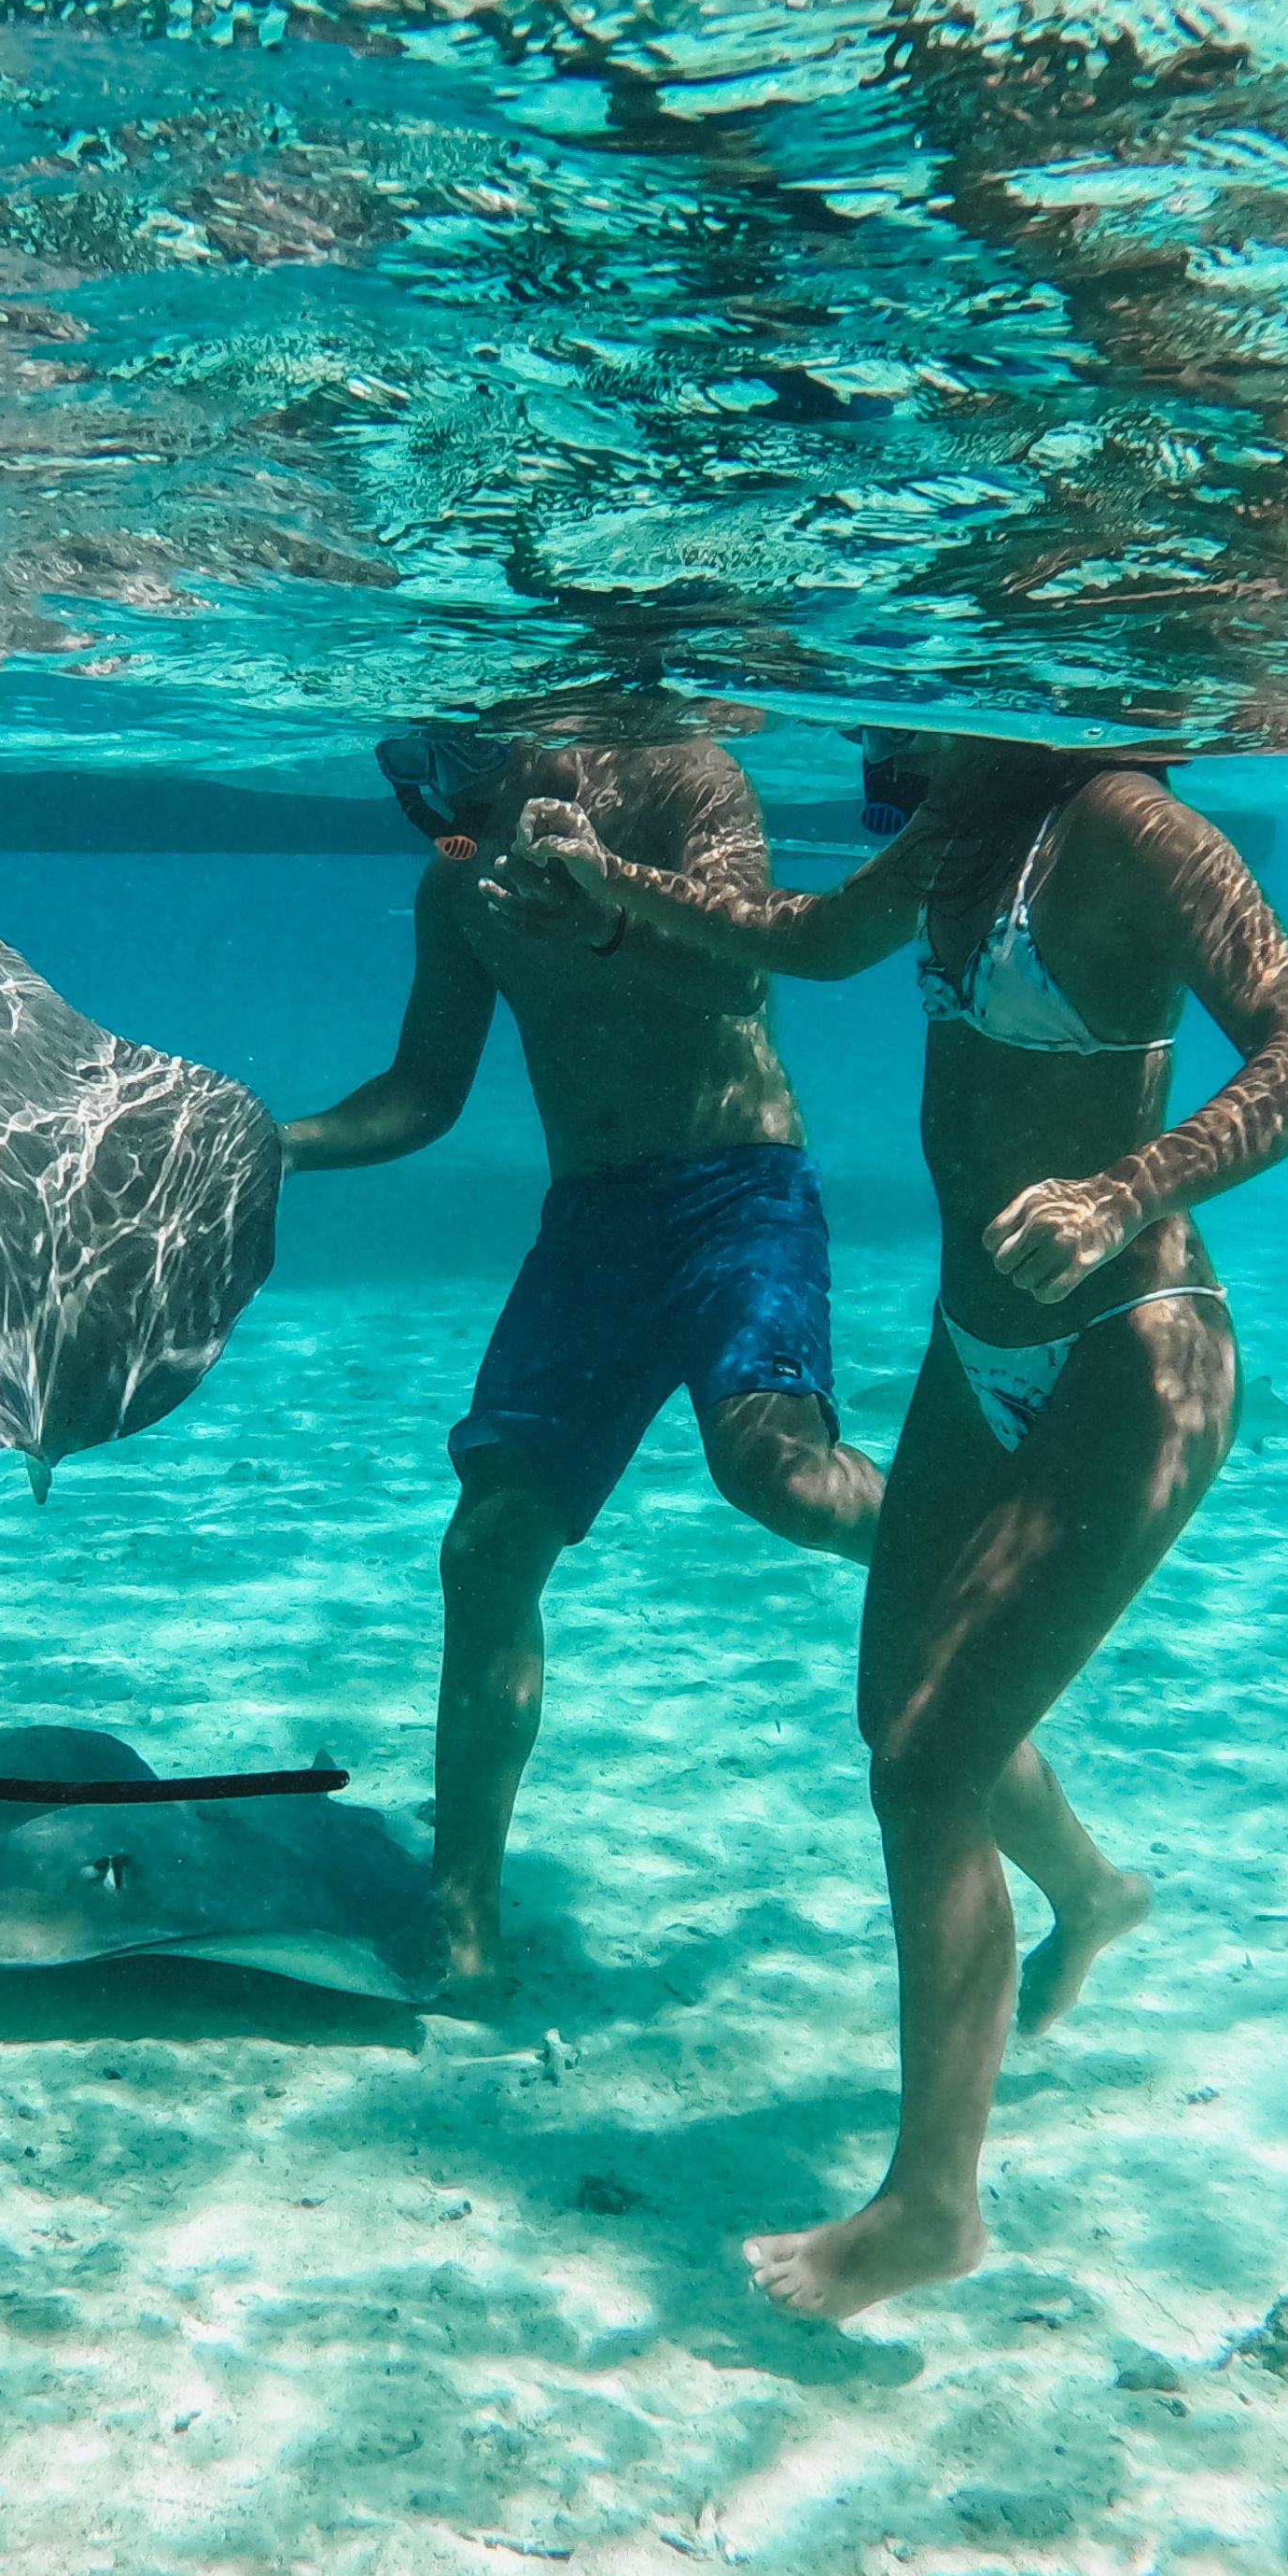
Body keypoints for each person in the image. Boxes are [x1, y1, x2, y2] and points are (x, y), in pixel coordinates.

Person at [517, 729, 1288, 2321]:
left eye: (907, 707)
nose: (874, 729)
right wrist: (597, 875)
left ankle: (932, 2208)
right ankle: (1094, 1895)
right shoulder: (977, 814)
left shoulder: (1128, 826)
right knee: (899, 1725)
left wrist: (1120, 1193)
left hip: (1135, 1348)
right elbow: (814, 940)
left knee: (927, 1766)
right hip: (978, 1354)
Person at [284, 725, 882, 2004]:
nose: (439, 799)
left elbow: (747, 963)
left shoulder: (682, 776)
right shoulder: (459, 886)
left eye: (453, 767)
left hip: (740, 1192)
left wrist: (606, 910)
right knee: (489, 1544)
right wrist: (267, 1143)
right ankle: (462, 1907)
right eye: (415, 773)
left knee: (783, 1485)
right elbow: (421, 1091)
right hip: (594, 1224)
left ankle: (967, 1550)